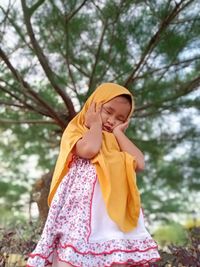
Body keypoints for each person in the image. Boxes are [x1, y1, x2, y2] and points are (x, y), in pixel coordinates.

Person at [27, 83, 160, 267]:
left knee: (112, 249)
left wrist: (119, 134)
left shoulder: (116, 139)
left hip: (110, 208)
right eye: (108, 111)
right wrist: (95, 124)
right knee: (78, 251)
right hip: (81, 210)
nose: (112, 120)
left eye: (120, 118)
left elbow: (140, 162)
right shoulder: (78, 130)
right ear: (94, 105)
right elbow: (89, 149)